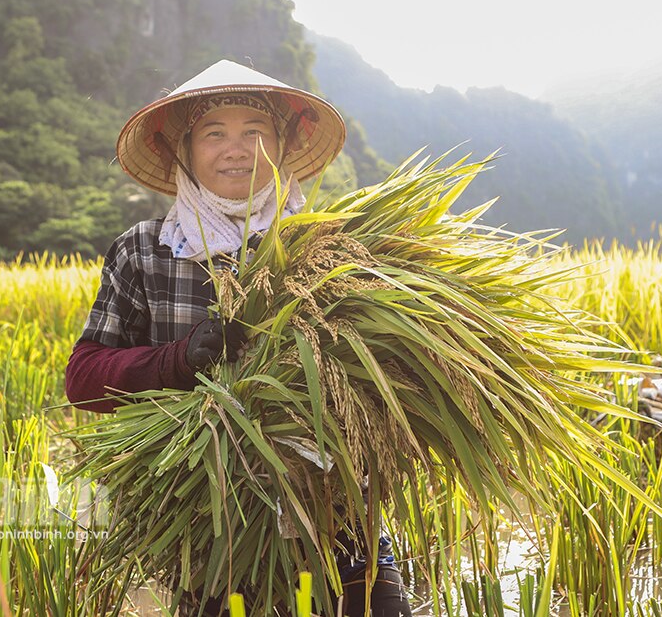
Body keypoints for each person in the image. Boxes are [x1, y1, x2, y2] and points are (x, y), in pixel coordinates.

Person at [65, 59, 412, 616]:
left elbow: (392, 378)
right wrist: (174, 361)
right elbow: (83, 379)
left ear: (281, 145)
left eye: (255, 132)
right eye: (215, 134)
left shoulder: (327, 246)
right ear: (184, 150)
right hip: (209, 520)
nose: (236, 149)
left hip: (335, 512)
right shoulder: (146, 251)